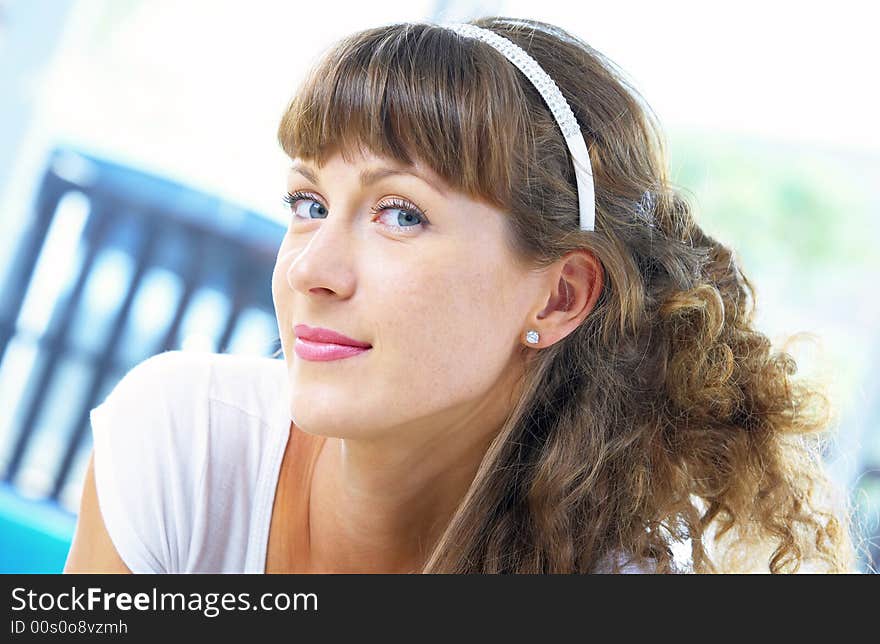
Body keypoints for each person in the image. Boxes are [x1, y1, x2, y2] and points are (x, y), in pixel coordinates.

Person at [64, 16, 855, 574]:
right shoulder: (184, 443)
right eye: (308, 204)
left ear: (557, 299)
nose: (312, 270)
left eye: (400, 214)